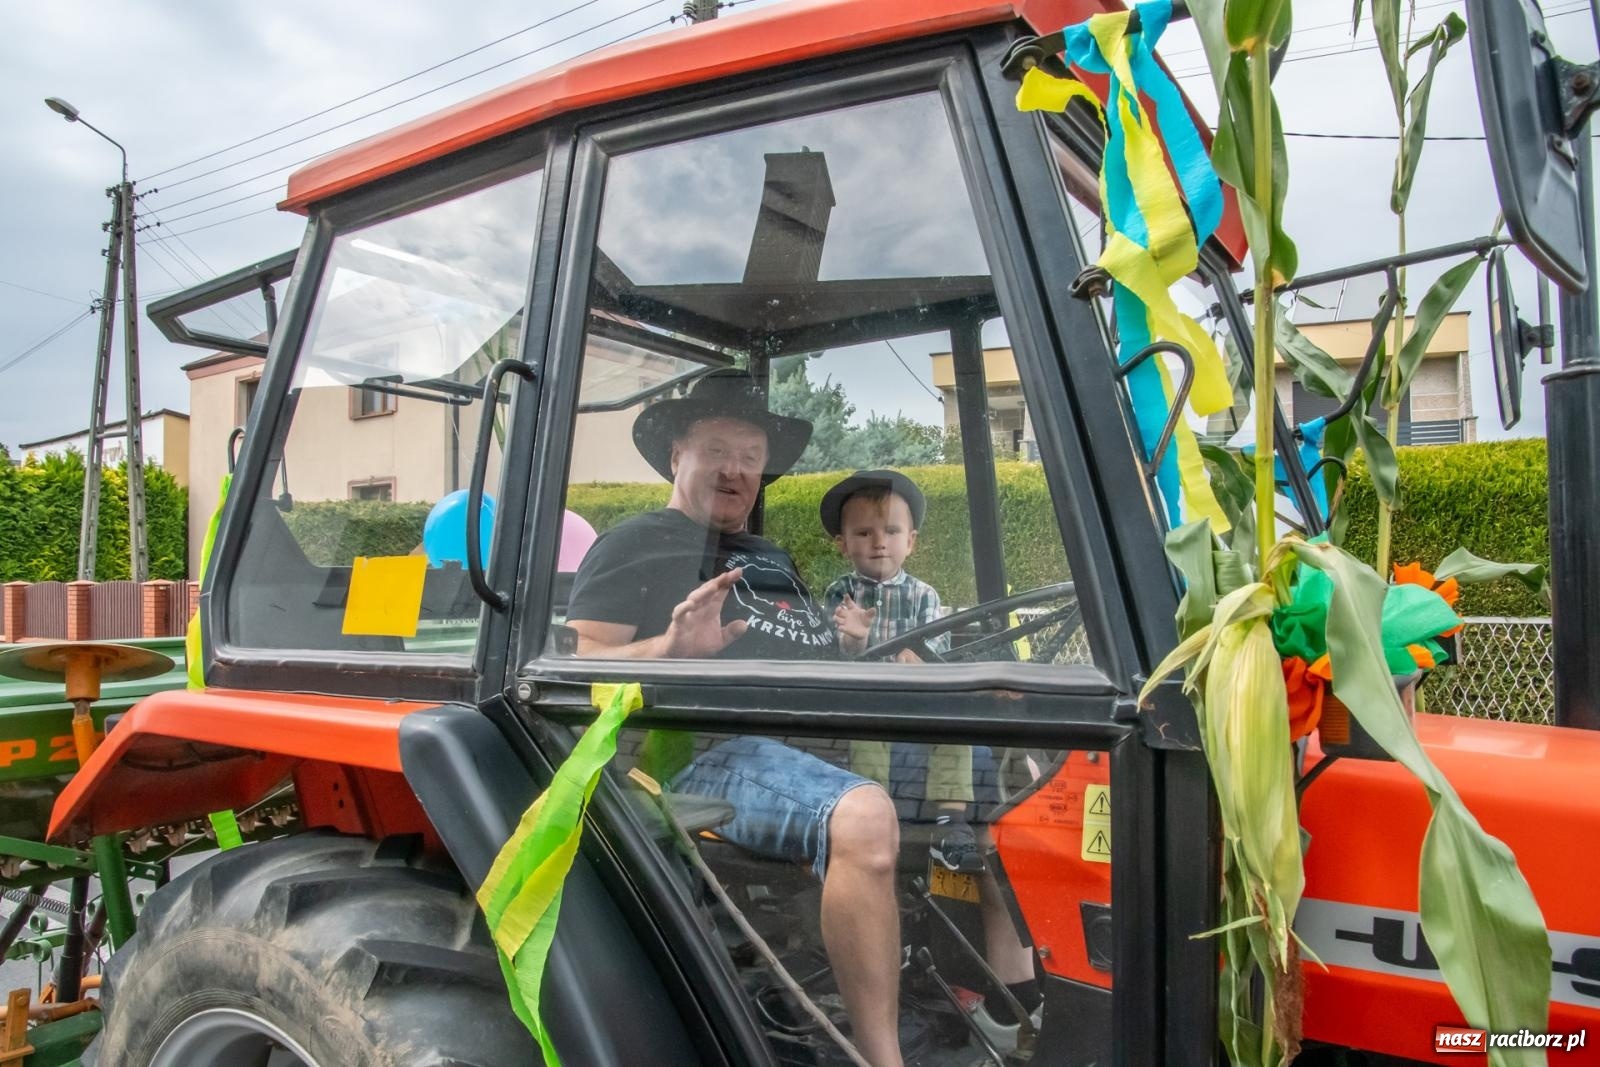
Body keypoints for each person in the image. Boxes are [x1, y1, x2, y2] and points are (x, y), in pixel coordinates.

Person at [564, 369, 906, 1067]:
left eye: (751, 455)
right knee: (864, 818)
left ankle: (1004, 995)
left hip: (818, 744)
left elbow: (803, 648)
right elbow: (580, 666)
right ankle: (881, 1057)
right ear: (676, 457)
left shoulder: (768, 556)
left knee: (1021, 762)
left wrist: (851, 648)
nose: (736, 469)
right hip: (704, 747)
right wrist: (669, 649)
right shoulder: (637, 542)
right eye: (717, 448)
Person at [819, 469, 983, 875]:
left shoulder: (924, 595)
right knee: (870, 737)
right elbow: (840, 657)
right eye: (863, 533)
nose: (878, 543)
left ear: (910, 542)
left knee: (956, 726)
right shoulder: (840, 592)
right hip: (867, 700)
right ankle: (876, 818)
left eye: (891, 531)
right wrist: (857, 640)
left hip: (919, 701)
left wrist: (916, 660)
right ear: (842, 544)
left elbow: (933, 659)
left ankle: (950, 823)